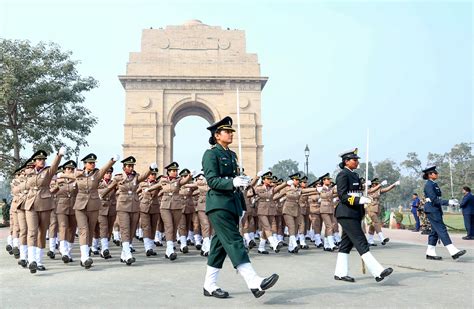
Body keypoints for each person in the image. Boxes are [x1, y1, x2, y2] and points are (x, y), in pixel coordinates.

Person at [201, 116, 278, 299]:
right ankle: (254, 281)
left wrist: (241, 200)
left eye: (231, 131)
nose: (231, 134)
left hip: (232, 204)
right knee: (235, 241)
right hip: (219, 204)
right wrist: (231, 182)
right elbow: (212, 180)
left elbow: (237, 185)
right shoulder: (211, 154)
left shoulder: (232, 155)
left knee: (219, 246)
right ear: (217, 135)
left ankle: (209, 285)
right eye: (227, 131)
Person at [333, 148, 393, 283]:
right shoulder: (343, 175)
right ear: (346, 161)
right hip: (346, 213)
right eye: (354, 160)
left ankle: (340, 273)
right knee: (361, 242)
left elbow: (357, 192)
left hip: (354, 213)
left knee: (346, 245)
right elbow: (342, 196)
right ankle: (377, 272)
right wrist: (359, 200)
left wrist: (362, 199)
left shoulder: (354, 175)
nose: (357, 161)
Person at [101, 156, 154, 265]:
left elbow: (144, 176)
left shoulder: (135, 177)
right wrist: (101, 195)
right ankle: (128, 254)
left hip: (134, 206)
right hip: (123, 206)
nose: (130, 168)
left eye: (132, 166)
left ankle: (124, 254)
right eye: (128, 166)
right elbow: (109, 188)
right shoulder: (118, 178)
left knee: (132, 230)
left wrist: (150, 168)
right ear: (124, 167)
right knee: (125, 229)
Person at [24, 148, 65, 273]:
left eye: (43, 159)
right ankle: (32, 261)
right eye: (39, 159)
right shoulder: (29, 172)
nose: (41, 161)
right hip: (31, 204)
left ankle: (39, 260)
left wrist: (59, 155)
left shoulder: (48, 171)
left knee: (42, 232)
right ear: (35, 161)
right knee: (32, 232)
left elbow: (55, 165)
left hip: (45, 204)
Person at [73, 153, 117, 269]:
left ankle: (86, 254)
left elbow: (104, 168)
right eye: (90, 163)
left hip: (93, 205)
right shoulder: (78, 173)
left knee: (91, 230)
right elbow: (66, 177)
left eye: (93, 163)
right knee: (84, 230)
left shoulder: (97, 174)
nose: (92, 164)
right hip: (80, 206)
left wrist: (112, 160)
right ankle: (84, 257)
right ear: (85, 164)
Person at [422, 166, 466, 260]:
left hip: (435, 209)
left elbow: (437, 198)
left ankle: (430, 252)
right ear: (430, 175)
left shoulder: (434, 184)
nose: (437, 174)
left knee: (435, 231)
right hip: (432, 209)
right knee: (442, 229)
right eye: (435, 173)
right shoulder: (429, 185)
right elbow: (434, 200)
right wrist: (448, 202)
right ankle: (453, 251)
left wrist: (450, 202)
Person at [366, 178, 400, 246]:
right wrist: (380, 184)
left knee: (373, 225)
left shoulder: (378, 190)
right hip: (370, 208)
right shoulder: (368, 190)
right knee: (376, 222)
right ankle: (382, 239)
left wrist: (394, 184)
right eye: (376, 183)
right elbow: (370, 192)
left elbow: (387, 189)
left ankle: (370, 240)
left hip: (377, 209)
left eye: (378, 183)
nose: (378, 184)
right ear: (373, 184)